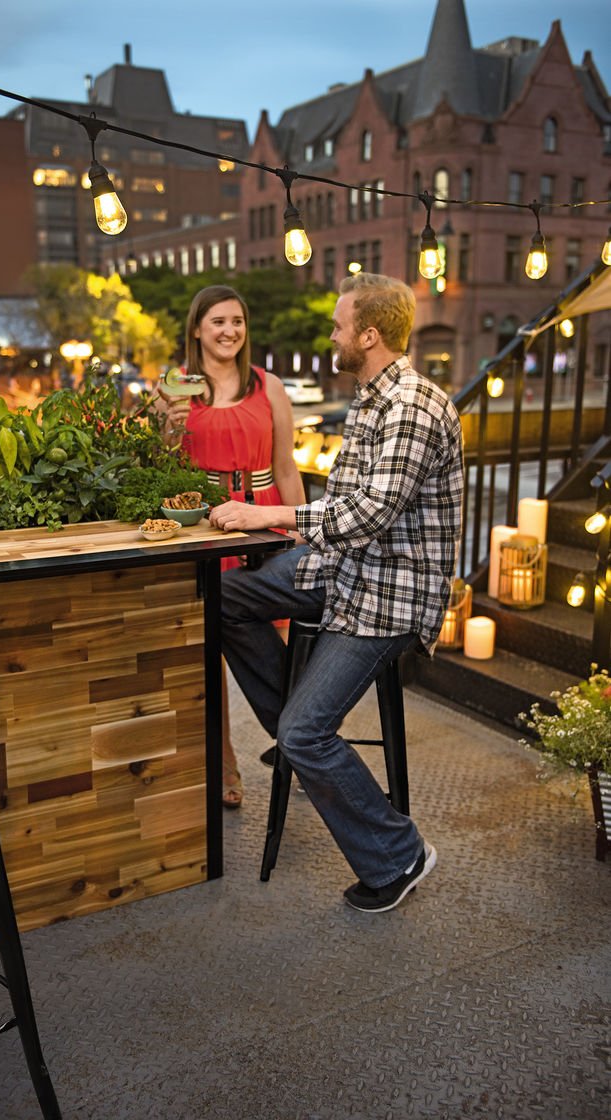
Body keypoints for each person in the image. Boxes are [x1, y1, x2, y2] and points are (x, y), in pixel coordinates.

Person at [209, 272, 464, 911]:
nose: (332, 334)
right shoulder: (369, 397)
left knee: (302, 734)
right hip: (338, 570)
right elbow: (347, 507)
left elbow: (369, 514)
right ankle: (301, 725)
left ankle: (398, 853)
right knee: (221, 600)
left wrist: (267, 517)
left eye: (339, 325)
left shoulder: (410, 405)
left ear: (369, 334)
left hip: (389, 594)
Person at [156, 284, 306, 809]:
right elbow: (158, 472)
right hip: (202, 524)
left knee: (282, 644)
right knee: (206, 656)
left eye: (237, 321)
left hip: (264, 520)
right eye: (218, 321)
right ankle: (223, 768)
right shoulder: (173, 390)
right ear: (197, 328)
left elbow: (286, 466)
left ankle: (301, 745)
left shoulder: (269, 385)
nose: (229, 331)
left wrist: (302, 532)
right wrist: (165, 431)